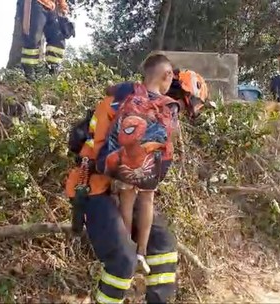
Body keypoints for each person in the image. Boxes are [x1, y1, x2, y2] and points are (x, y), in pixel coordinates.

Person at [65, 54, 208, 304]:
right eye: (185, 105)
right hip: (95, 187)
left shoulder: (139, 103)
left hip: (118, 186)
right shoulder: (125, 103)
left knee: (163, 246)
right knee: (123, 261)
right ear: (169, 83)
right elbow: (106, 154)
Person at [18, 0, 70, 79]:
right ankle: (29, 72)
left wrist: (63, 7)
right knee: (33, 38)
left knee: (58, 37)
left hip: (51, 7)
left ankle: (54, 70)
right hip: (34, 3)